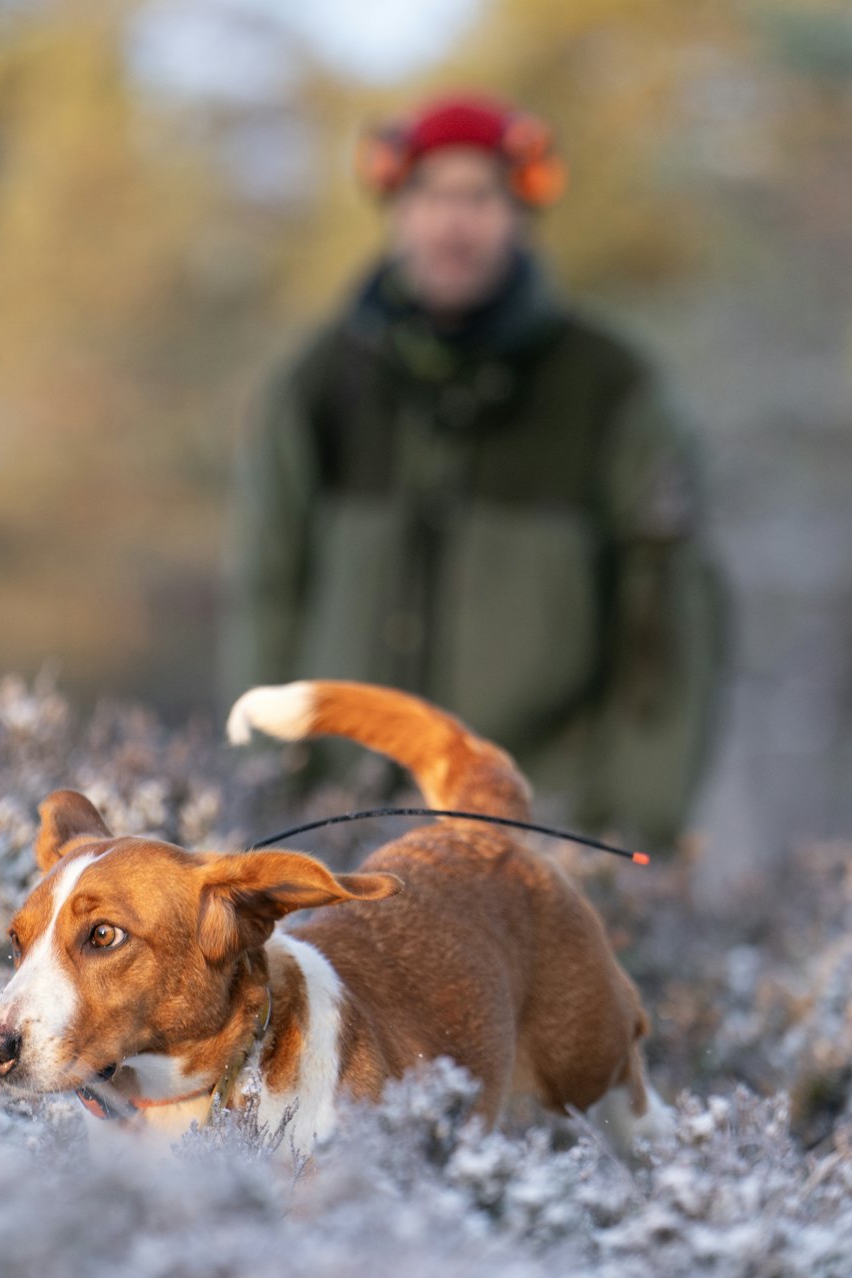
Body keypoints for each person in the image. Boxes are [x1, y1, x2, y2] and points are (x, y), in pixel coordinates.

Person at [222, 94, 726, 849]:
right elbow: (268, 587)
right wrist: (272, 777)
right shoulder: (320, 381)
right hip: (341, 817)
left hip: (545, 818)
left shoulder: (611, 386)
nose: (453, 222)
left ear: (520, 209)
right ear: (397, 207)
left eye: (480, 197)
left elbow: (667, 618)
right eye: (430, 194)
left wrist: (633, 824)